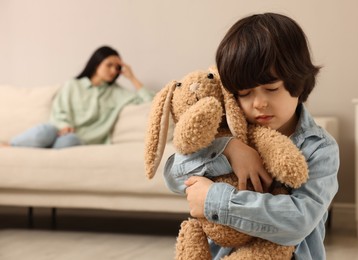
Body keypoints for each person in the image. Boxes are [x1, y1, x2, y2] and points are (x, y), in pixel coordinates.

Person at [164, 13, 339, 259]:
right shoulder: (229, 131)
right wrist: (228, 149)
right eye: (244, 93)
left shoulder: (319, 148)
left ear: (299, 81)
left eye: (271, 89)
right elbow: (172, 175)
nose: (258, 103)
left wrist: (214, 199)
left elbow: (299, 220)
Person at [5, 46, 154, 148]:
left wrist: (132, 77)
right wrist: (64, 125)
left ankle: (46, 150)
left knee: (69, 141)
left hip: (78, 140)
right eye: (109, 65)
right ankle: (8, 146)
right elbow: (59, 110)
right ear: (96, 64)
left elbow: (150, 101)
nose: (113, 70)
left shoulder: (117, 93)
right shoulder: (73, 85)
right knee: (44, 131)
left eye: (117, 67)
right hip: (58, 131)